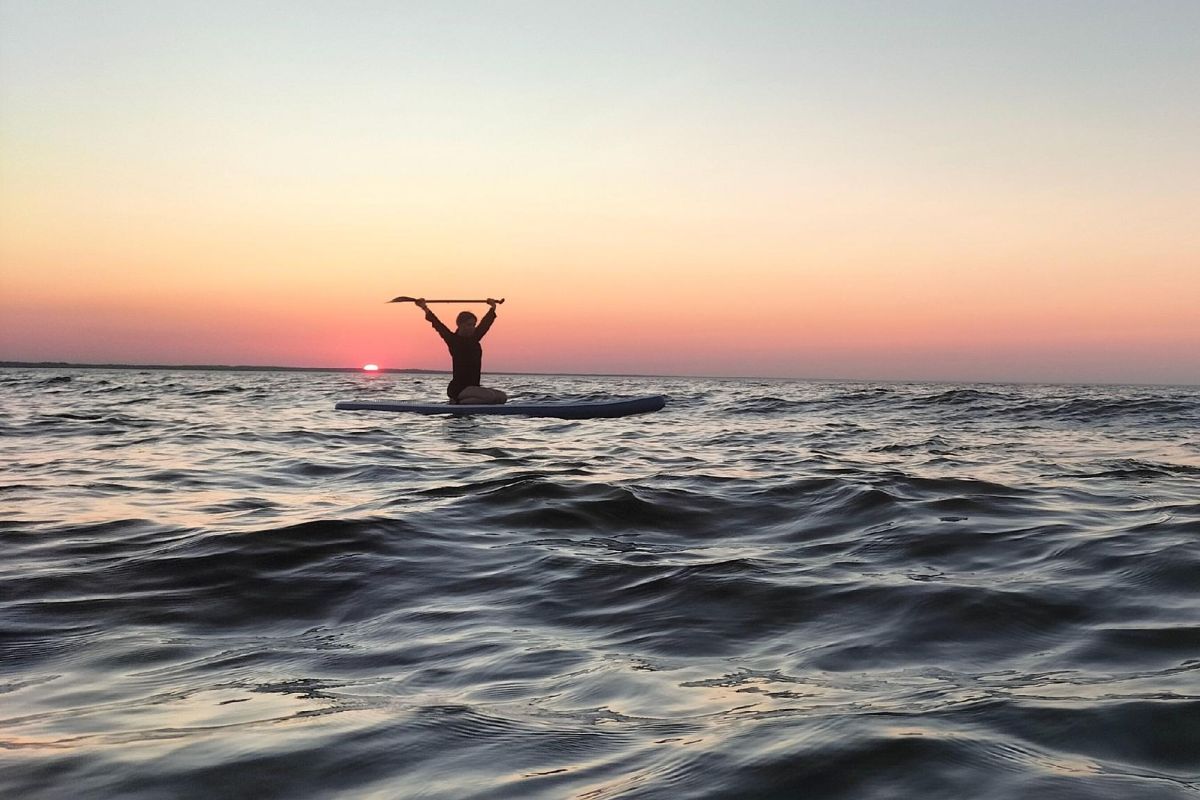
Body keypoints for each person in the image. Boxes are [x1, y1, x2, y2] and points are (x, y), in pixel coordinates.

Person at [414, 298, 508, 404]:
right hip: (458, 389)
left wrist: (493, 307)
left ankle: (462, 402)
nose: (472, 328)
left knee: (502, 397)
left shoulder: (475, 338)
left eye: (473, 325)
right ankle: (457, 402)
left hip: (473, 388)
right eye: (469, 324)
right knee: (490, 397)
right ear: (460, 325)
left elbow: (486, 324)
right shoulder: (453, 340)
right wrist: (424, 307)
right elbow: (437, 324)